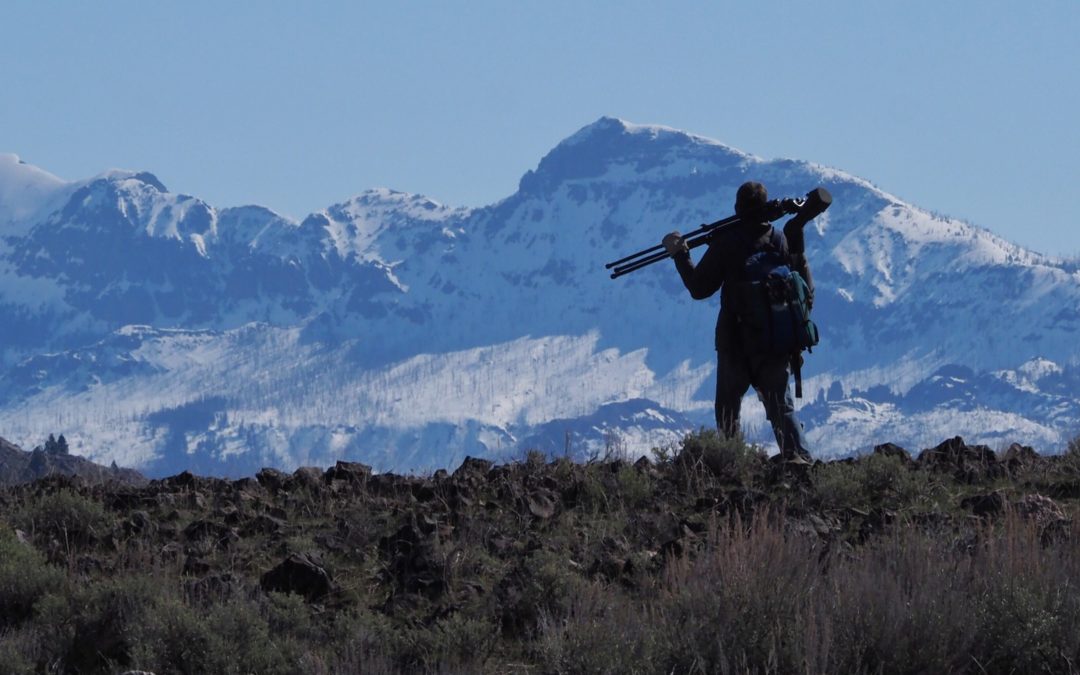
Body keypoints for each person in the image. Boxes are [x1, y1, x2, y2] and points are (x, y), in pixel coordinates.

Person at [662, 181, 815, 463]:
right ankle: (800, 461)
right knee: (781, 407)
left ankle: (734, 465)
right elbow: (803, 289)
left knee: (728, 408)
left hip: (735, 342)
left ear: (737, 208)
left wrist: (680, 255)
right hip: (775, 341)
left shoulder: (727, 242)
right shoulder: (779, 239)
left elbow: (700, 288)